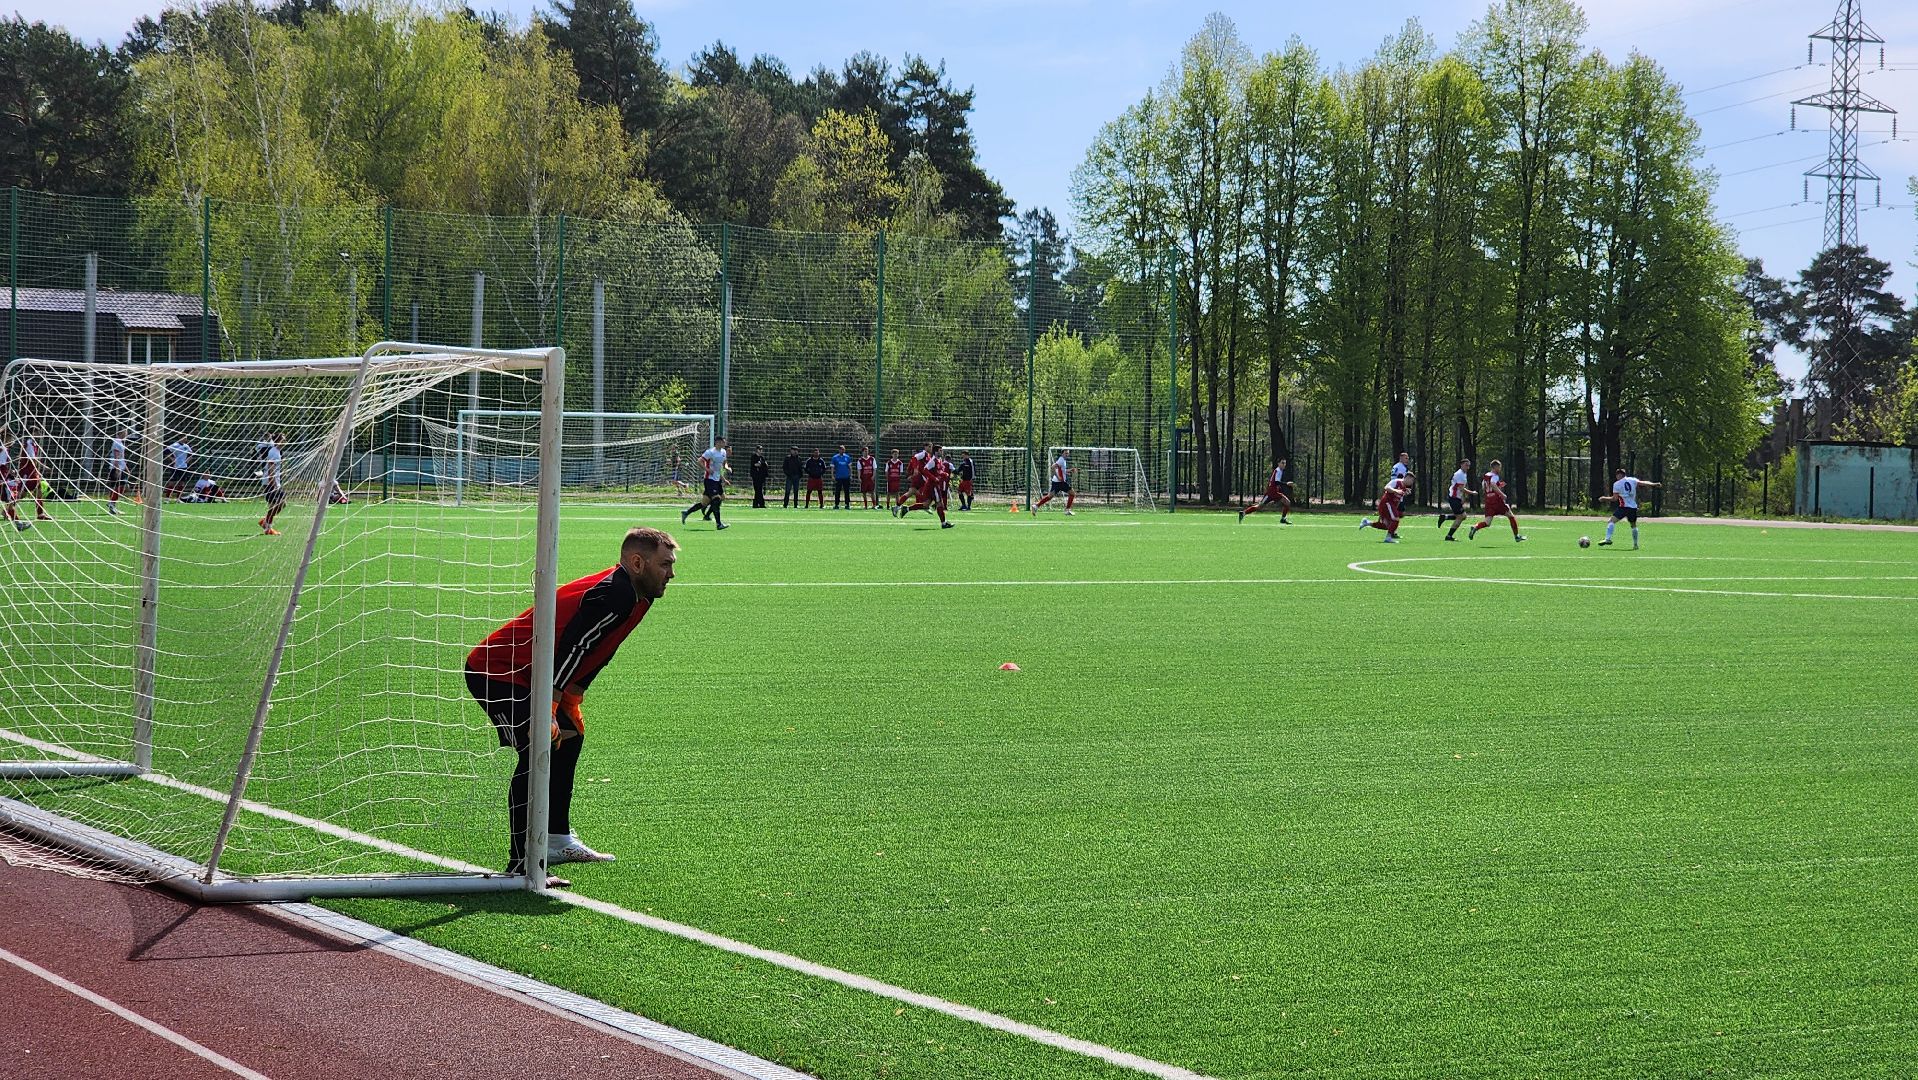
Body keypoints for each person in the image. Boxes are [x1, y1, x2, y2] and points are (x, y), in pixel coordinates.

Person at [465, 526, 678, 886]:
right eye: (665, 565)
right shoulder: (615, 593)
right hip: (498, 671)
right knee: (538, 750)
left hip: (535, 675)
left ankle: (557, 840)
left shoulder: (640, 596)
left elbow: (602, 650)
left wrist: (572, 699)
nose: (671, 574)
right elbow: (572, 647)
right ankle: (522, 863)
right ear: (637, 563)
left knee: (570, 737)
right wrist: (549, 708)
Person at [1597, 468, 1660, 549]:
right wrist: (1653, 484)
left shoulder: (1617, 484)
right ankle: (1635, 545)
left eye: (1617, 475)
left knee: (1611, 521)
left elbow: (1614, 499)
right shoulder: (1632, 480)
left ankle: (1608, 539)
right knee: (1633, 525)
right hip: (1633, 507)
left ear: (1619, 475)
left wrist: (1604, 498)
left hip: (1623, 507)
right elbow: (1643, 483)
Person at [898, 444, 955, 528]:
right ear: (936, 452)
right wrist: (934, 478)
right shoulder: (933, 460)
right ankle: (944, 523)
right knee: (940, 503)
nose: (942, 452)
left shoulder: (939, 460)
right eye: (940, 450)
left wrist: (944, 474)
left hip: (930, 485)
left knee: (925, 504)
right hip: (933, 485)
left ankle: (906, 509)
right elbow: (925, 470)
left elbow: (937, 471)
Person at [1468, 459, 1525, 542]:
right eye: (1499, 467)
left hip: (1488, 500)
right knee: (1510, 516)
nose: (1500, 469)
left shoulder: (1486, 475)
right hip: (1496, 500)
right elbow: (1493, 484)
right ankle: (1517, 536)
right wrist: (1502, 494)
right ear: (1495, 467)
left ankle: (1475, 527)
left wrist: (1498, 485)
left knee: (1487, 522)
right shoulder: (1495, 476)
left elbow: (1484, 486)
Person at [682, 437, 730, 531]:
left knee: (706, 502)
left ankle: (686, 512)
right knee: (716, 499)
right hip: (709, 480)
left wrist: (725, 472)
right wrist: (707, 469)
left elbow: (723, 464)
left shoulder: (723, 452)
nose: (725, 444)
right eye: (723, 442)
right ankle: (719, 524)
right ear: (718, 442)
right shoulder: (710, 452)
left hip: (717, 480)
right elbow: (699, 461)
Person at [1359, 473, 1410, 542]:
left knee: (1386, 526)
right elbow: (1386, 487)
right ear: (1406, 478)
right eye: (1411, 480)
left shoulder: (1404, 488)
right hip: (1386, 504)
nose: (1411, 482)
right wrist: (1395, 490)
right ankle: (1388, 538)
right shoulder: (1397, 481)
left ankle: (1367, 522)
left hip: (1389, 506)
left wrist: (1395, 509)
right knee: (1396, 519)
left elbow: (1397, 501)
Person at [1239, 458, 1292, 523]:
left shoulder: (1279, 471)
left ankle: (1283, 519)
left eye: (1285, 463)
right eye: (1282, 463)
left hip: (1275, 492)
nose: (1284, 464)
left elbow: (1275, 482)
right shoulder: (1278, 471)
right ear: (1278, 464)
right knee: (1259, 507)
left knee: (1287, 502)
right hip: (1271, 493)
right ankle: (1243, 513)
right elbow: (1276, 482)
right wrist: (1286, 484)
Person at [12, 432, 51, 521]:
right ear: (32, 433)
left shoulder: (33, 444)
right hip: (27, 472)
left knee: (38, 491)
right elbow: (32, 459)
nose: (39, 434)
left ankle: (40, 514)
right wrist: (43, 467)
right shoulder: (29, 444)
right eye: (37, 432)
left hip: (32, 471)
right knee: (22, 494)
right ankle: (8, 509)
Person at [1438, 458, 1476, 541]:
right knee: (1460, 517)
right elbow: (1461, 488)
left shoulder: (1463, 474)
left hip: (1456, 498)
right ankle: (1449, 536)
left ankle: (1445, 517)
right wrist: (1472, 493)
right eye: (1466, 465)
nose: (1467, 467)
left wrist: (1462, 498)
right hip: (1454, 498)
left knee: (1463, 516)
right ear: (1461, 465)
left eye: (1468, 466)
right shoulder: (1460, 474)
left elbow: (1460, 488)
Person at [258, 432, 287, 536]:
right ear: (278, 441)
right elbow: (271, 468)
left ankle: (266, 522)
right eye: (283, 439)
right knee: (279, 504)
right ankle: (268, 527)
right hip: (271, 483)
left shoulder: (277, 451)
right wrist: (273, 484)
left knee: (280, 504)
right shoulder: (274, 452)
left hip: (274, 482)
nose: (285, 441)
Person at [1033, 448, 1075, 514]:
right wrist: (1058, 477)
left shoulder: (1063, 460)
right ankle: (1067, 510)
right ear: (1062, 454)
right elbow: (1053, 467)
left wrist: (1069, 470)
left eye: (1068, 453)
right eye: (1065, 453)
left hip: (1056, 482)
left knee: (1050, 496)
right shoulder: (1061, 460)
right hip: (1060, 482)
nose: (1067, 454)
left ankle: (1036, 506)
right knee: (1072, 493)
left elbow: (1062, 470)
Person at [0, 433, 26, 531]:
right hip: (2, 479)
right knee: (11, 498)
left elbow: (3, 466)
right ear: (6, 439)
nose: (12, 441)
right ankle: (19, 524)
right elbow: (1, 466)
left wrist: (11, 473)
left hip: (4, 478)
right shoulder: (3, 449)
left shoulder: (4, 449)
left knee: (12, 498)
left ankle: (17, 522)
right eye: (10, 438)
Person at [104, 434, 133, 515]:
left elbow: (121, 457)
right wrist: (117, 468)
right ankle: (111, 503)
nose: (126, 434)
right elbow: (116, 456)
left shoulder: (120, 442)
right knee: (123, 486)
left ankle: (112, 505)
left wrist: (126, 469)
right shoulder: (117, 442)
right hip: (116, 468)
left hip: (120, 467)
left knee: (119, 487)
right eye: (125, 432)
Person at [830, 444, 853, 509]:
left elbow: (850, 467)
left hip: (846, 477)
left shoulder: (847, 457)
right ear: (839, 450)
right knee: (837, 491)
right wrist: (832, 476)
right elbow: (832, 467)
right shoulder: (835, 457)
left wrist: (851, 475)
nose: (843, 450)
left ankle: (847, 504)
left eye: (844, 449)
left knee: (847, 491)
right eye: (842, 449)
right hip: (838, 477)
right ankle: (836, 504)